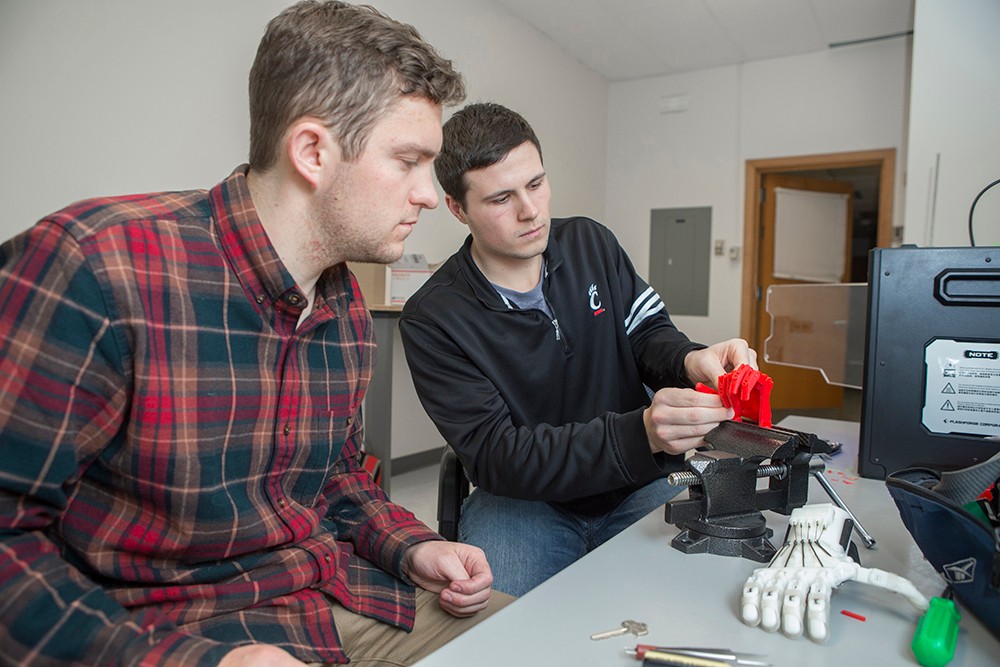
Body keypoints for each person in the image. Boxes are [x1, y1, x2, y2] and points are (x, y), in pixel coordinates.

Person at [0, 4, 513, 666]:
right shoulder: (95, 267)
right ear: (312, 151)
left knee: (543, 640)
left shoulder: (342, 300)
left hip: (327, 595)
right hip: (164, 629)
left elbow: (333, 479)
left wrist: (412, 544)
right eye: (409, 161)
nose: (426, 194)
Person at [399, 102, 757, 596]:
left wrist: (689, 360)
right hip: (524, 504)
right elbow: (499, 456)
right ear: (458, 209)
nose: (531, 211)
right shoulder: (433, 318)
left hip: (638, 483)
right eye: (501, 198)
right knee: (497, 630)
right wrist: (643, 431)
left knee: (701, 594)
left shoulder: (591, 242)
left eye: (536, 184)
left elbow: (647, 332)